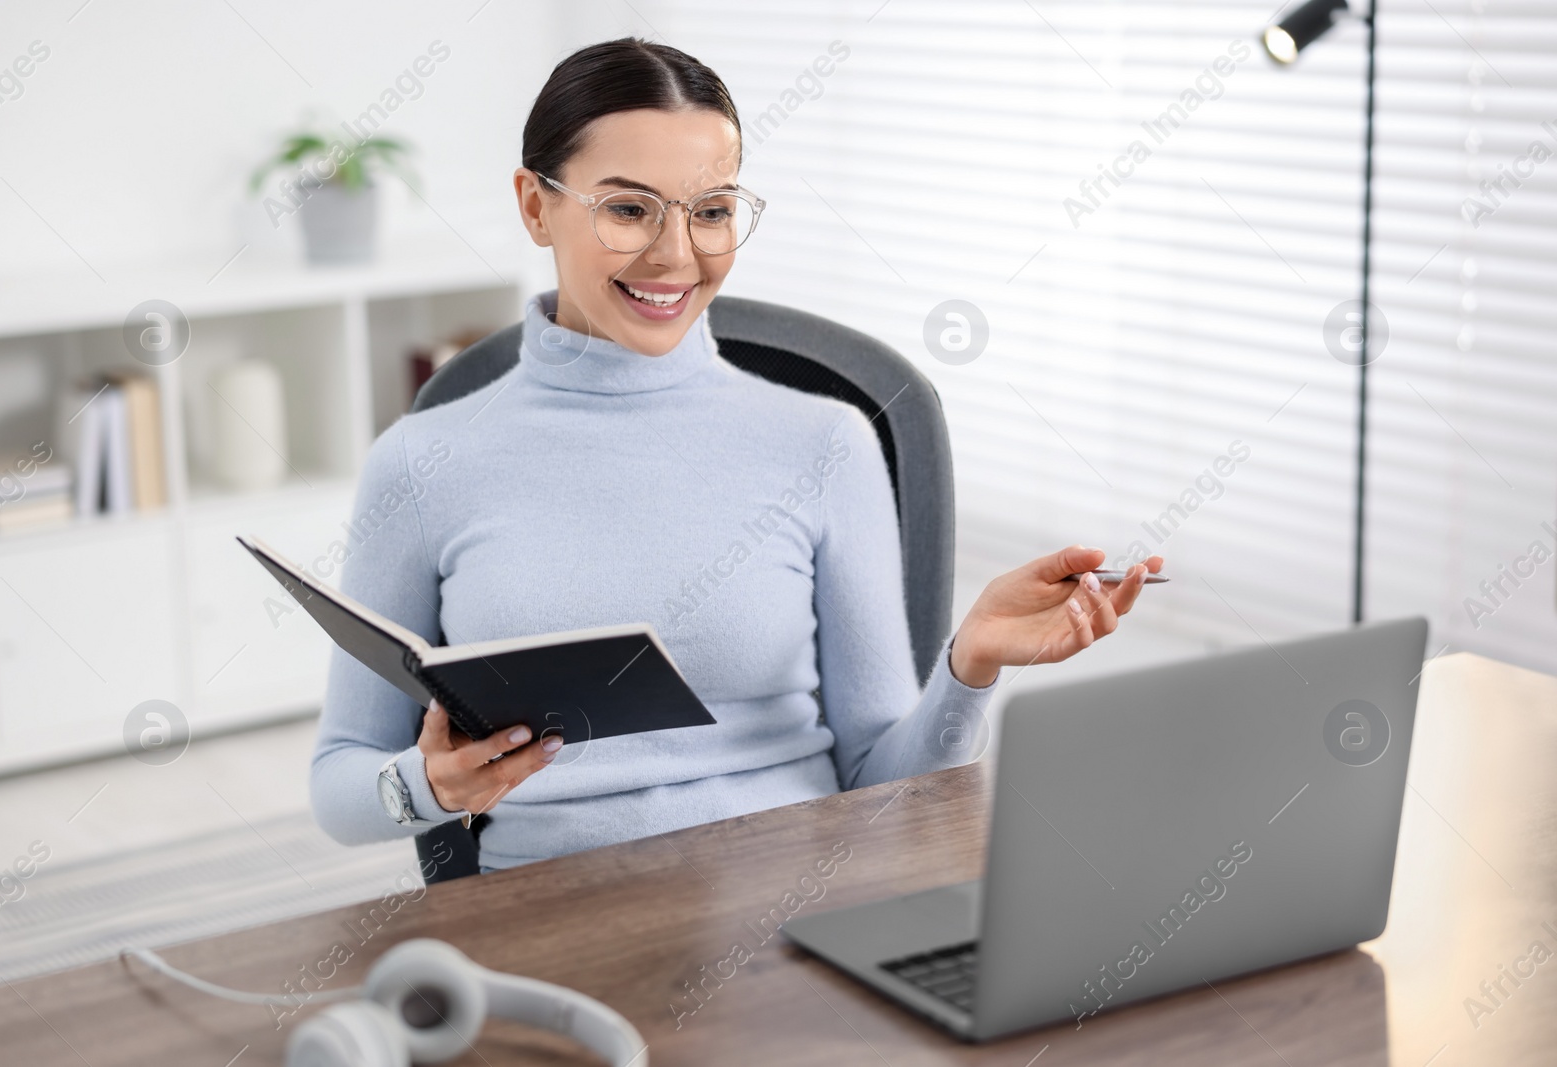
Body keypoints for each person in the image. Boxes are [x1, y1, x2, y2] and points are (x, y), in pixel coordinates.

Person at [310, 38, 1163, 873]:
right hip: (556, 926)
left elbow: (883, 785)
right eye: (629, 208)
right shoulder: (423, 464)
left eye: (711, 210)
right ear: (536, 205)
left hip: (791, 908)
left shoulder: (828, 443)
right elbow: (340, 779)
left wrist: (969, 665)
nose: (676, 255)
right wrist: (427, 784)